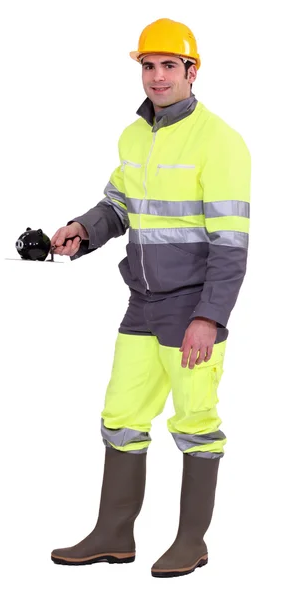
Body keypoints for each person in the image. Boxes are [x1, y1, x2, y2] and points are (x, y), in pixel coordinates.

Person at [49, 17, 251, 578]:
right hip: (141, 302)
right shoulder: (135, 135)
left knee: (195, 422)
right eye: (148, 65)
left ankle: (192, 540)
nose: (157, 76)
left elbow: (232, 244)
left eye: (169, 65)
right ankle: (114, 533)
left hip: (192, 308)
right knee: (121, 416)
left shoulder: (220, 141)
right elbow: (119, 204)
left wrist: (210, 317)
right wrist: (82, 230)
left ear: (192, 71)